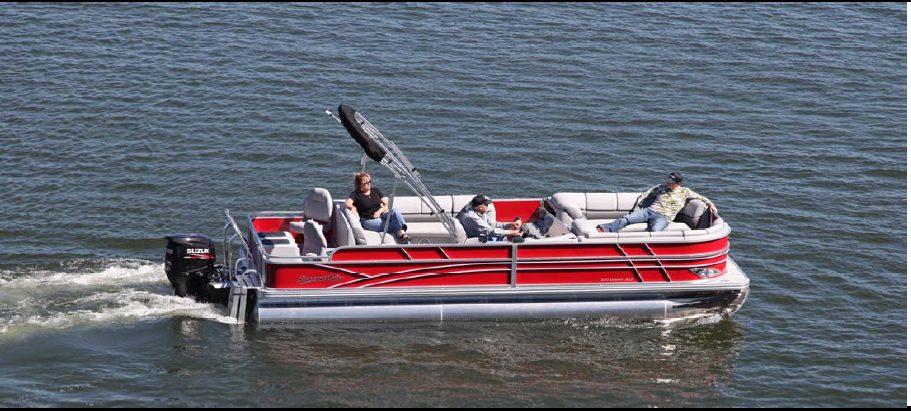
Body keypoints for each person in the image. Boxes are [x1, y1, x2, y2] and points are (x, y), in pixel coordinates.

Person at [597, 172, 718, 233]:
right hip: (649, 211)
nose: (668, 183)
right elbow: (646, 195)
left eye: (671, 182)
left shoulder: (685, 192)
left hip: (664, 217)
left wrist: (711, 204)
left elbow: (702, 198)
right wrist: (638, 208)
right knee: (626, 219)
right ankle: (605, 229)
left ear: (678, 183)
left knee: (655, 232)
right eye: (668, 181)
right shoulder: (661, 187)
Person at [345, 172, 409, 241]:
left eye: (369, 181)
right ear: (360, 184)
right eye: (366, 182)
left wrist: (379, 211)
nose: (369, 183)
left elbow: (388, 203)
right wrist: (352, 207)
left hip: (381, 215)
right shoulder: (355, 194)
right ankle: (403, 240)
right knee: (394, 226)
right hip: (368, 220)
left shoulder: (375, 191)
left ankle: (402, 231)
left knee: (395, 211)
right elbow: (348, 203)